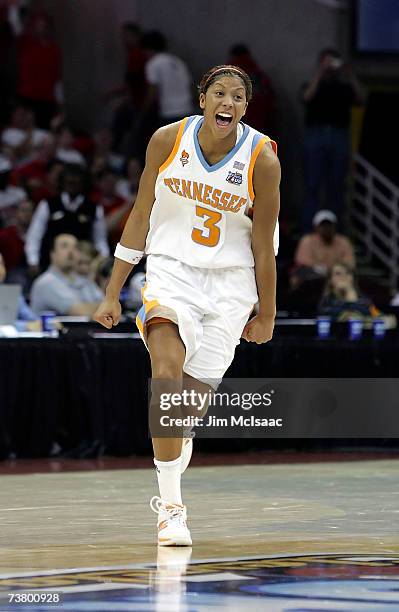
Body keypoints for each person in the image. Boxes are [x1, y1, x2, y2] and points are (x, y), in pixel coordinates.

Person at [94, 64, 280, 546]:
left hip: (230, 287)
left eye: (238, 97)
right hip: (173, 271)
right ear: (202, 97)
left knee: (183, 414)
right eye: (220, 92)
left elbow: (263, 246)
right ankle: (171, 508)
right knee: (166, 370)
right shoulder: (166, 140)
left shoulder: (262, 159)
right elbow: (140, 214)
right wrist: (113, 290)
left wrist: (267, 312)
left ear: (245, 107)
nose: (229, 102)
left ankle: (173, 471)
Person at [302, 48, 364, 230]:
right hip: (316, 135)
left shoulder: (344, 87)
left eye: (332, 62)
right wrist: (320, 73)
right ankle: (308, 230)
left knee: (336, 185)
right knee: (312, 184)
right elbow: (306, 98)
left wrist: (350, 75)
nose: (330, 67)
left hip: (339, 135)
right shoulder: (312, 84)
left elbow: (360, 100)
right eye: (326, 62)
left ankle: (335, 230)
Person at [25, 164, 109, 274]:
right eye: (69, 182)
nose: (72, 186)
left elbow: (99, 240)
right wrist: (33, 261)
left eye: (76, 183)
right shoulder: (48, 205)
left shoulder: (94, 208)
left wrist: (103, 260)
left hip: (81, 265)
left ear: (83, 184)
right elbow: (34, 236)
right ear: (63, 183)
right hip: (50, 263)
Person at [31, 233, 103, 315]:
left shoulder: (82, 279)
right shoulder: (46, 282)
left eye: (75, 247)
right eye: (64, 246)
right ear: (53, 254)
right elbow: (81, 312)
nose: (71, 251)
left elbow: (108, 306)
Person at [291, 209, 355, 288]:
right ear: (316, 227)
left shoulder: (343, 241)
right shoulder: (307, 240)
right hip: (312, 278)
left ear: (334, 226)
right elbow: (303, 261)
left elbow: (349, 263)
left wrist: (331, 270)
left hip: (337, 277)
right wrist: (324, 269)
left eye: (329, 225)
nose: (326, 228)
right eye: (323, 225)